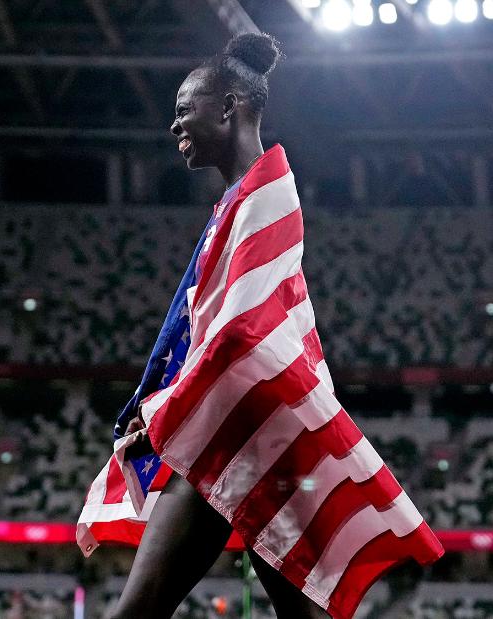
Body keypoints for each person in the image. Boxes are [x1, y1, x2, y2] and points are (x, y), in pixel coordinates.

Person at [108, 33, 328, 619]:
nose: (175, 125)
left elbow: (238, 333)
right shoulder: (238, 200)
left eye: (185, 110)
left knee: (137, 609)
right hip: (248, 432)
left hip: (244, 432)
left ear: (227, 107)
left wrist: (164, 408)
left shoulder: (269, 195)